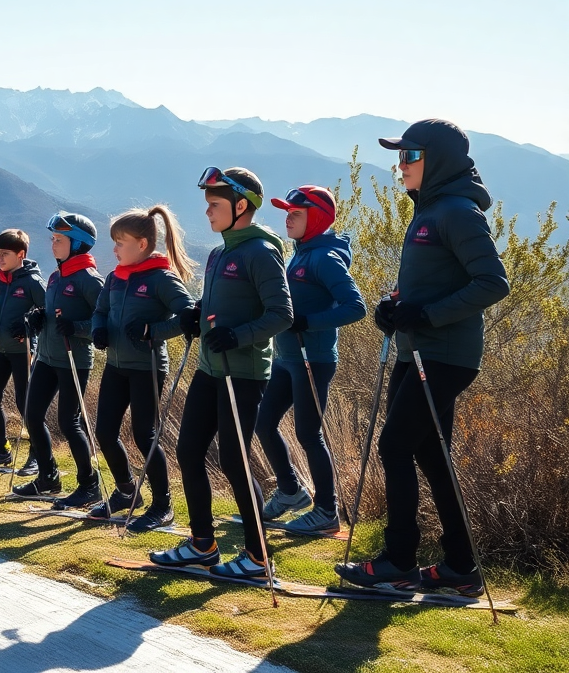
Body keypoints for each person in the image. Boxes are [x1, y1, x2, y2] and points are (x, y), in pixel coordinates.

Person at [337, 119, 508, 597]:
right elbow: (433, 282)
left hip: (444, 354)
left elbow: (493, 283)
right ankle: (460, 566)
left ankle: (399, 561)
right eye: (401, 155)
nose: (401, 164)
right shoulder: (430, 209)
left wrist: (426, 315)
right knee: (432, 456)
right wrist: (397, 307)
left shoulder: (456, 212)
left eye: (410, 155)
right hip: (419, 351)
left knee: (394, 446)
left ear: (439, 160)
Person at [150, 167, 291, 579]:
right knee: (189, 451)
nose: (207, 211)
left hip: (243, 373)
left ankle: (259, 557)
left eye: (214, 204)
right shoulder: (220, 252)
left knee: (234, 461)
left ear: (241, 205)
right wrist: (196, 314)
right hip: (210, 369)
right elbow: (218, 303)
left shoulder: (261, 252)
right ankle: (202, 544)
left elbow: (282, 314)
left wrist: (237, 336)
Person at [254, 186, 365, 534]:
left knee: (308, 433)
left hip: (312, 359)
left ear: (316, 218)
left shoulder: (324, 258)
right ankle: (290, 492)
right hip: (288, 357)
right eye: (287, 212)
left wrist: (309, 322)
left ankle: (327, 512)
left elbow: (355, 307)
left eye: (295, 213)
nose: (287, 218)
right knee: (263, 422)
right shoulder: (300, 254)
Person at [90, 206, 196, 528]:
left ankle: (163, 506)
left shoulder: (162, 278)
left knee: (144, 435)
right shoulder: (115, 278)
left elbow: (189, 317)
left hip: (147, 367)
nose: (115, 249)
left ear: (142, 244)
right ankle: (126, 492)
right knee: (104, 432)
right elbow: (100, 310)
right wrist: (98, 328)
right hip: (116, 365)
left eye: (120, 242)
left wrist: (154, 332)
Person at [11, 213, 106, 511]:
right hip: (48, 357)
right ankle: (48, 476)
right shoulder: (56, 276)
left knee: (69, 421)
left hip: (74, 360)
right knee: (31, 413)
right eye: (52, 239)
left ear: (78, 244)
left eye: (59, 240)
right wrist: (39, 318)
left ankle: (89, 485)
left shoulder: (90, 280)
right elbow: (53, 313)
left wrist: (78, 327)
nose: (53, 245)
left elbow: (104, 323)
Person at [0, 229, 46, 472]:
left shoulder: (33, 282)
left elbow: (46, 312)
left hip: (24, 351)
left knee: (26, 403)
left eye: (5, 253)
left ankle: (36, 455)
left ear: (21, 254)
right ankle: (2, 451)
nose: (0, 258)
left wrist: (30, 323)